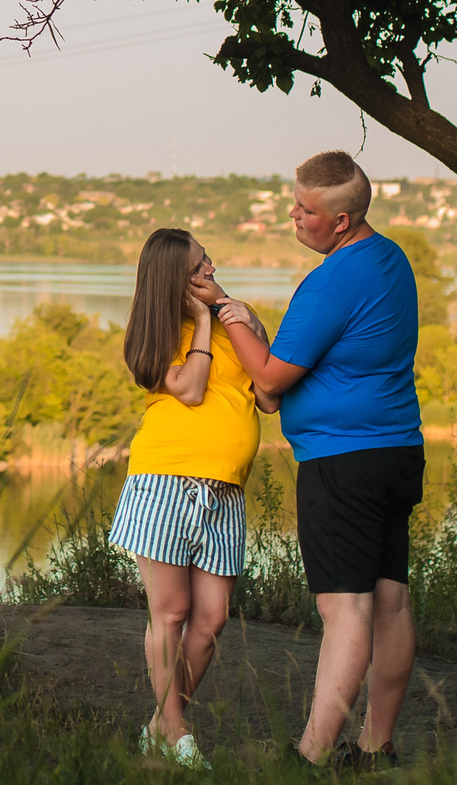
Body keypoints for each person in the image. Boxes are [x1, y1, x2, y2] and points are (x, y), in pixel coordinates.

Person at [233, 151, 425, 769]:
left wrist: (233, 319)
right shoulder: (391, 259)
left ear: (340, 220)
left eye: (306, 210)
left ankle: (312, 757)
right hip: (398, 452)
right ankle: (376, 744)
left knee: (345, 607)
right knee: (391, 598)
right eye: (294, 202)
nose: (294, 216)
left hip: (343, 464)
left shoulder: (329, 282)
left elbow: (266, 385)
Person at [107, 227, 273, 766]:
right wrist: (203, 318)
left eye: (210, 261)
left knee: (213, 618)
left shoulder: (235, 320)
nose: (213, 271)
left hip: (225, 487)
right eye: (201, 267)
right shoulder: (150, 337)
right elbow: (192, 388)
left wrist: (238, 316)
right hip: (165, 480)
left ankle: (160, 724)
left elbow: (268, 396)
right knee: (172, 612)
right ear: (175, 280)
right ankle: (178, 734)